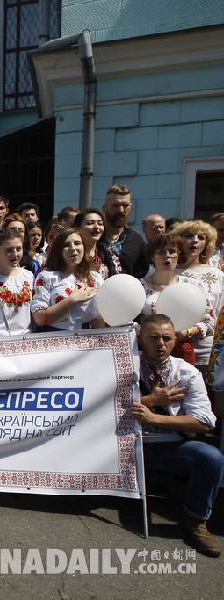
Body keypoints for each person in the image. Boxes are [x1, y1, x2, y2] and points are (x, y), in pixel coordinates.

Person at [132, 314, 223, 557]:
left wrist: (155, 418)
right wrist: (150, 400)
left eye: (166, 338)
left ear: (174, 341)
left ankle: (194, 520)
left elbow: (206, 422)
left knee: (211, 457)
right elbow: (96, 407)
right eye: (153, 338)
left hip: (171, 448)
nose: (160, 343)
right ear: (141, 339)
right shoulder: (122, 365)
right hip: (126, 447)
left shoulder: (188, 373)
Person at [139, 234, 212, 366]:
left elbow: (208, 320)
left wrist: (186, 332)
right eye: (161, 252)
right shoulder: (139, 286)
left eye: (172, 251)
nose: (167, 255)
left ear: (179, 256)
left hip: (182, 353)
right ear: (152, 256)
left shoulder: (193, 286)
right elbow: (129, 322)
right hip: (148, 353)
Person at [172, 220, 224, 376]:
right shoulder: (167, 271)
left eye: (201, 237)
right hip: (173, 347)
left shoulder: (217, 275)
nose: (195, 240)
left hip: (208, 350)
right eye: (188, 236)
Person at [31, 229, 103, 331]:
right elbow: (39, 318)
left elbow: (99, 319)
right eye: (66, 245)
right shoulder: (46, 277)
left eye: (77, 243)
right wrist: (71, 300)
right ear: (59, 250)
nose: (73, 248)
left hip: (86, 339)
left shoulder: (95, 278)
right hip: (55, 339)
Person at [100, 184, 148, 278]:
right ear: (104, 208)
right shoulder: (93, 236)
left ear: (130, 207)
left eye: (125, 206)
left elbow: (142, 274)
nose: (121, 210)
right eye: (116, 205)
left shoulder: (136, 240)